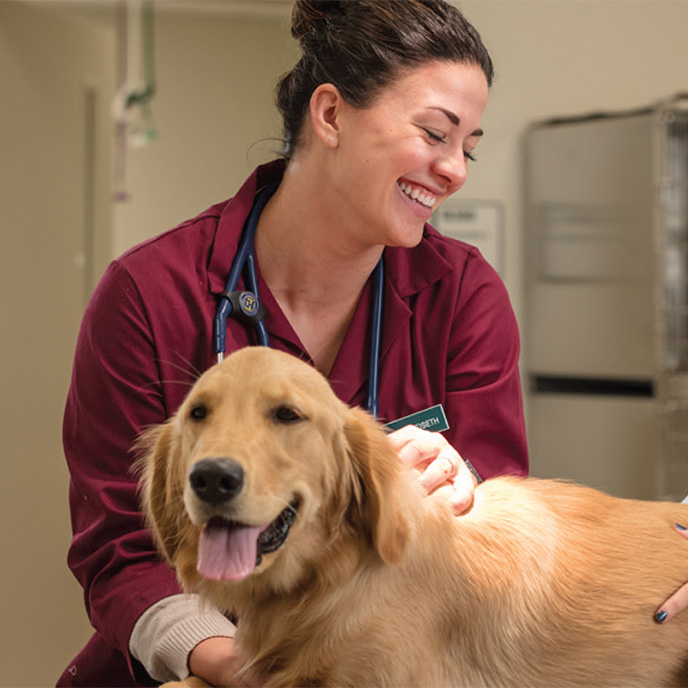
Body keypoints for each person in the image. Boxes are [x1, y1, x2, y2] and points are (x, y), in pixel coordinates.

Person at [58, 1, 529, 686]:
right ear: (330, 114)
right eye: (434, 133)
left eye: (469, 148)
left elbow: (497, 519)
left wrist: (465, 486)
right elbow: (121, 549)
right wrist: (236, 664)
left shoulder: (463, 297)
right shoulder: (148, 293)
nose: (455, 169)